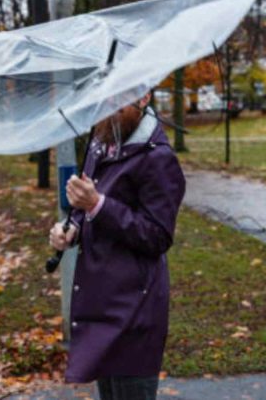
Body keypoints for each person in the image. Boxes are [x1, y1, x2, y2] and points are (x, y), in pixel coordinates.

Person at [48, 91, 186, 400]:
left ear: (144, 97)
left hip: (134, 309)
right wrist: (72, 229)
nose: (110, 105)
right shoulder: (101, 143)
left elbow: (157, 236)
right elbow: (89, 208)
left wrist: (97, 205)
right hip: (101, 302)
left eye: (120, 96)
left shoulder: (157, 158)